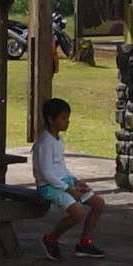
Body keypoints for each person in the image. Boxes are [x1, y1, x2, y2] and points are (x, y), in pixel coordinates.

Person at [33, 94, 106, 257]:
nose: (67, 121)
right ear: (51, 120)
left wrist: (74, 180)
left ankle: (85, 242)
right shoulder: (44, 143)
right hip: (49, 186)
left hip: (63, 182)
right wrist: (68, 189)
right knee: (77, 213)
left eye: (68, 118)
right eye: (63, 118)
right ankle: (51, 239)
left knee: (98, 203)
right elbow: (46, 173)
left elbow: (61, 167)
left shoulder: (58, 140)